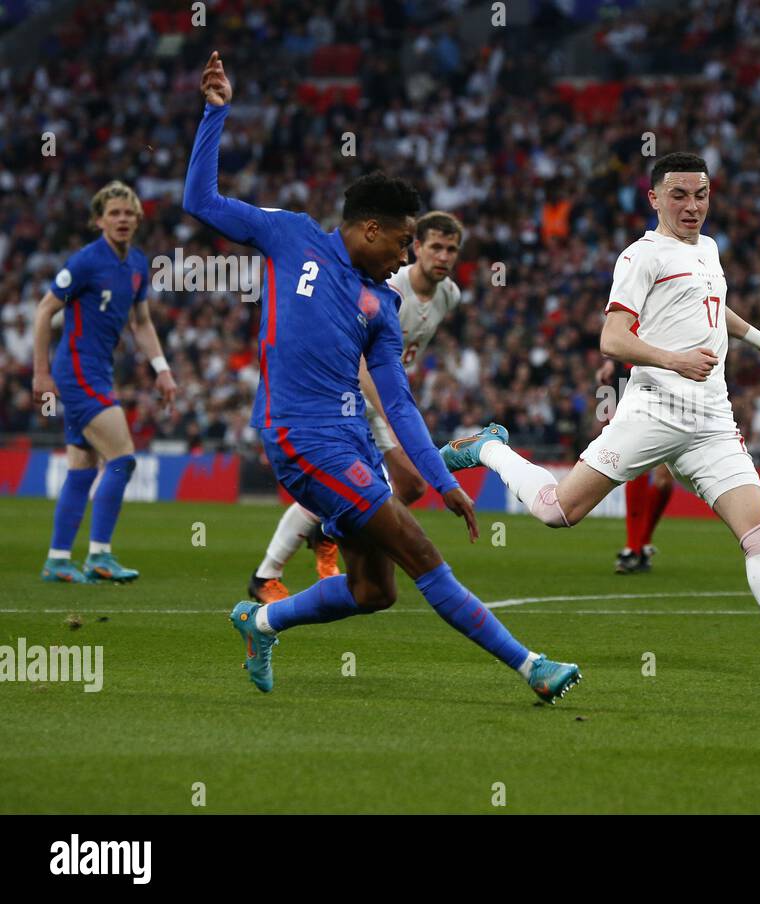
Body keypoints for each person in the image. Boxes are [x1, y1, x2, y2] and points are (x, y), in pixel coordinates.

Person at [185, 52, 579, 702]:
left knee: (375, 592)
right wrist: (215, 113)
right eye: (400, 243)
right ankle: (531, 667)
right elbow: (199, 201)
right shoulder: (290, 237)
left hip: (354, 441)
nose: (405, 256)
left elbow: (398, 402)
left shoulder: (382, 306)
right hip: (300, 437)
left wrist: (443, 479)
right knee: (421, 554)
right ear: (370, 229)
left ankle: (259, 621)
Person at [439, 152, 760, 684]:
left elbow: (715, 302)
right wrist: (673, 358)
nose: (692, 206)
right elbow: (611, 338)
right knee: (556, 512)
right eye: (679, 195)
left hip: (711, 417)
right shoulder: (641, 256)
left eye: (701, 194)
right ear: (654, 198)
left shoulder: (708, 248)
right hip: (655, 409)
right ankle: (489, 448)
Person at [248, 211, 467, 603]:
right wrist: (387, 407)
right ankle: (271, 570)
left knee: (402, 487)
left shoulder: (449, 294)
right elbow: (363, 356)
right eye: (435, 246)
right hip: (352, 392)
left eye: (452, 249)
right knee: (384, 485)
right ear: (415, 247)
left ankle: (329, 532)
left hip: (382, 395)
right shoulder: (387, 281)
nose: (443, 256)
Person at [33, 181, 177, 583]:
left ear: (138, 220)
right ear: (99, 220)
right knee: (123, 459)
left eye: (129, 213)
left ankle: (58, 559)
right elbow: (45, 311)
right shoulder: (84, 262)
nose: (123, 220)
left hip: (98, 371)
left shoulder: (136, 265)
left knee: (82, 467)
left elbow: (142, 322)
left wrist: (162, 368)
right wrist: (41, 372)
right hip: (77, 370)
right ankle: (99, 555)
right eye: (114, 213)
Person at [596, 358, 675, 574]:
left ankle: (642, 543)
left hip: (674, 380)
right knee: (637, 466)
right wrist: (611, 360)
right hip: (635, 380)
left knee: (664, 480)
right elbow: (619, 325)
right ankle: (633, 548)